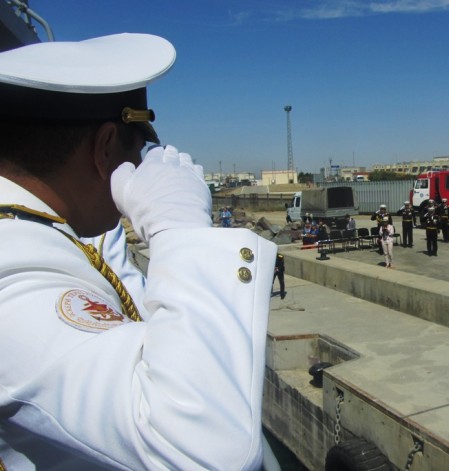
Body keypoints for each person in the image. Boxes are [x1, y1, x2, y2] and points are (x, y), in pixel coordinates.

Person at [0, 34, 277, 470]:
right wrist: (180, 226)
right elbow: (206, 452)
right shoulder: (12, 274)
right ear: (105, 148)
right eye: (136, 151)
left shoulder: (34, 236)